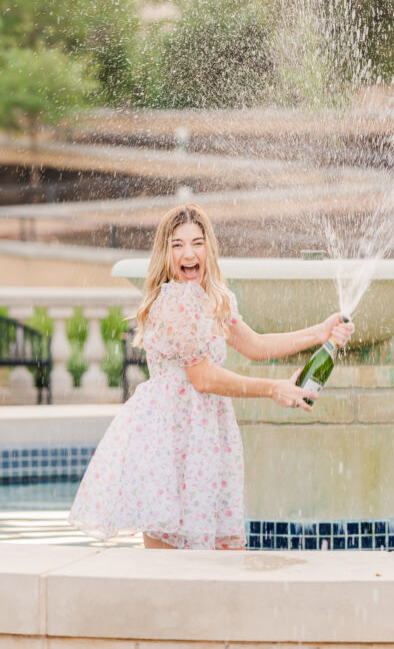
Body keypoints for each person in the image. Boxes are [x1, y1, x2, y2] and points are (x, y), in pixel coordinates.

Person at [68, 203, 354, 551]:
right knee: (171, 563)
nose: (188, 253)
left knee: (225, 555)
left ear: (209, 249)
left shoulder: (213, 299)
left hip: (207, 435)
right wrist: (272, 389)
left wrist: (319, 333)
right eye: (177, 245)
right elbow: (201, 378)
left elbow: (256, 345)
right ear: (166, 253)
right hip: (170, 438)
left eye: (197, 243)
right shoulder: (173, 302)